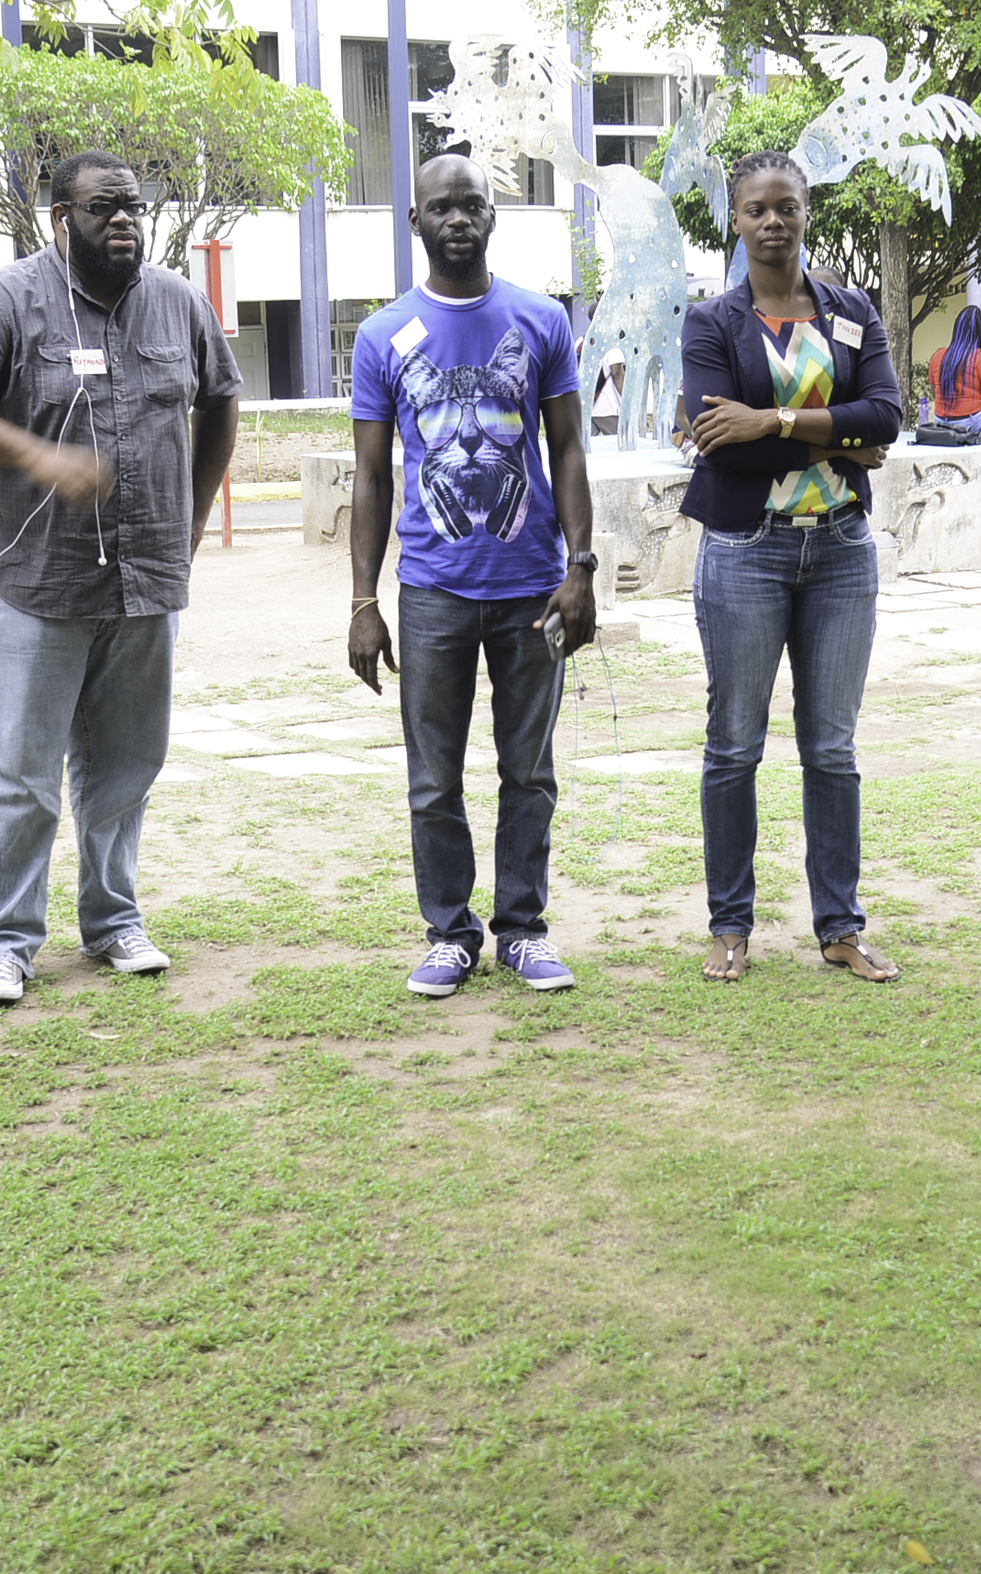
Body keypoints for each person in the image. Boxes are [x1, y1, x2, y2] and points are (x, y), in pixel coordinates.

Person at [0, 150, 239, 1005]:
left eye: (133, 207)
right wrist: (37, 456)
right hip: (30, 582)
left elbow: (221, 400)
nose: (122, 220)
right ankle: (3, 944)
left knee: (127, 765)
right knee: (20, 771)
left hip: (145, 579)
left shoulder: (177, 303)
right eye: (101, 208)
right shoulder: (5, 301)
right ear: (61, 219)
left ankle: (113, 921)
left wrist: (190, 525)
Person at [346, 154, 597, 999]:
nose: (458, 218)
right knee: (433, 777)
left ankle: (522, 930)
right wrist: (362, 602)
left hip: (532, 587)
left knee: (530, 771)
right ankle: (450, 934)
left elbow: (566, 446)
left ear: (494, 218)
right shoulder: (382, 335)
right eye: (441, 207)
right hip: (433, 593)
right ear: (415, 221)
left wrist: (581, 566)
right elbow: (373, 476)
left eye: (473, 205)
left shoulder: (539, 321)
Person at [680, 150, 902, 984]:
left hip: (841, 550)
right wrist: (840, 435)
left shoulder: (852, 311)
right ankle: (730, 925)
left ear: (809, 211)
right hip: (746, 552)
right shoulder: (711, 322)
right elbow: (713, 439)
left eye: (787, 206)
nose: (773, 221)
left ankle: (840, 927)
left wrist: (767, 418)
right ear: (735, 221)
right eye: (756, 210)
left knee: (832, 750)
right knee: (735, 747)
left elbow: (887, 413)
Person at [927, 304, 981, 422]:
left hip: (941, 420)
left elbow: (936, 394)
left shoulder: (937, 356)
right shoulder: (980, 356)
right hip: (972, 421)